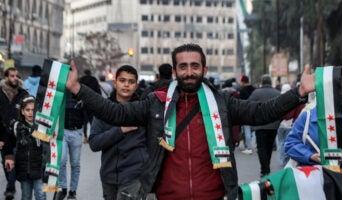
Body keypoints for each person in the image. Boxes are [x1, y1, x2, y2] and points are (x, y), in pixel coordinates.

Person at [65, 43, 315, 199]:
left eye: (195, 66)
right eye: (182, 67)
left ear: (204, 70)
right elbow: (113, 113)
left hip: (214, 195)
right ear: (174, 72)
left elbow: (263, 112)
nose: (189, 72)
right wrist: (78, 89)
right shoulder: (156, 104)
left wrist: (299, 93)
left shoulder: (223, 103)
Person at [89, 65, 148, 199]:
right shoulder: (103, 110)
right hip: (108, 176)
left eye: (131, 82)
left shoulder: (143, 110)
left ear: (136, 86)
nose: (126, 85)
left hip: (134, 176)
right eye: (122, 80)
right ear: (115, 83)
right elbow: (94, 143)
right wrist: (121, 130)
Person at [285, 106, 342, 197]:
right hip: (307, 182)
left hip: (336, 183)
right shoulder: (306, 117)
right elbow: (290, 144)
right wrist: (310, 156)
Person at [0, 67, 29, 199]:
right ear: (6, 77)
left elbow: (30, 111)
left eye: (17, 76)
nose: (15, 78)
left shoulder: (23, 94)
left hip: (18, 134)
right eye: (12, 76)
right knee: (5, 162)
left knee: (14, 161)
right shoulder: (0, 93)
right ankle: (11, 183)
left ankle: (10, 188)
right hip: (3, 135)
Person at [53, 90, 86, 200]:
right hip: (63, 132)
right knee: (61, 160)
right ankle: (63, 188)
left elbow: (87, 115)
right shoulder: (61, 92)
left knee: (75, 163)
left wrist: (86, 134)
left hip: (77, 132)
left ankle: (73, 191)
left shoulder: (81, 93)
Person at [11, 95, 46, 200]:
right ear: (22, 111)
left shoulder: (42, 127)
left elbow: (47, 142)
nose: (31, 112)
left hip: (39, 168)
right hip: (24, 169)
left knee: (41, 195)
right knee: (26, 196)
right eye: (27, 110)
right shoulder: (18, 126)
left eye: (33, 110)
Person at [248, 74, 281, 177]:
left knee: (261, 147)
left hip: (260, 125)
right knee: (269, 147)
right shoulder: (277, 93)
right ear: (270, 82)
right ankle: (267, 166)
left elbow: (248, 105)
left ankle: (264, 169)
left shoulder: (256, 93)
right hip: (273, 125)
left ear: (262, 82)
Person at [276, 84, 305, 167]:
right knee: (287, 143)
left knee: (281, 142)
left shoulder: (280, 100)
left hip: (281, 125)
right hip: (290, 125)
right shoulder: (295, 100)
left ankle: (282, 159)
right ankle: (286, 159)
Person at [79, 69, 101, 143]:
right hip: (92, 103)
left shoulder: (81, 80)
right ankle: (92, 137)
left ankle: (85, 137)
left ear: (84, 73)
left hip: (84, 103)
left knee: (84, 121)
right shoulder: (94, 80)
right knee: (92, 121)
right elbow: (98, 92)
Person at [237, 75, 255, 155]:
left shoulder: (242, 90)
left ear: (243, 82)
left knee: (247, 129)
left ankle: (249, 147)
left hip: (245, 112)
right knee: (253, 129)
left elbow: (239, 102)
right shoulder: (254, 89)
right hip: (254, 110)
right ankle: (254, 144)